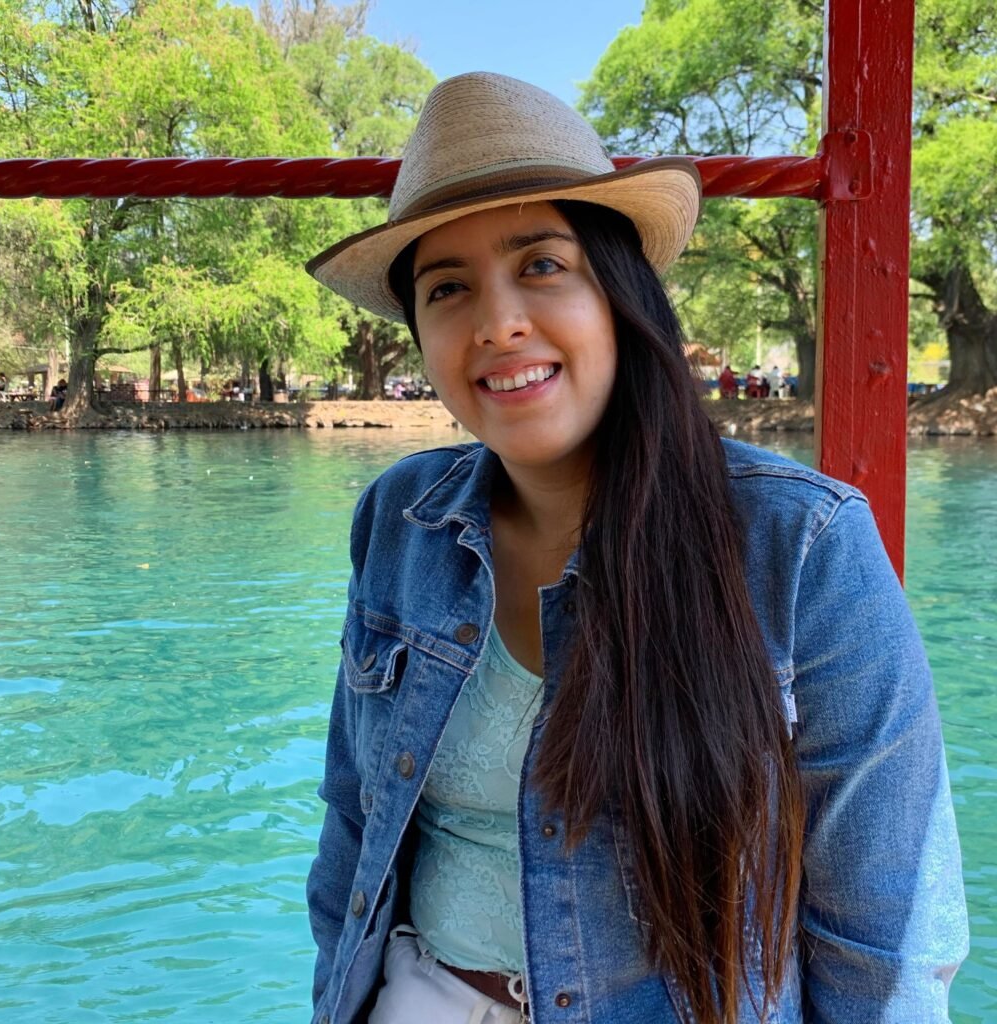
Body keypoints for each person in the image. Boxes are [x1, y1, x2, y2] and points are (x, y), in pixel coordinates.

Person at [303, 72, 967, 1024]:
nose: (498, 324)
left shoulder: (803, 546)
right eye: (447, 289)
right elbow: (353, 825)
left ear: (620, 293)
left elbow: (887, 934)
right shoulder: (400, 520)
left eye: (541, 265)